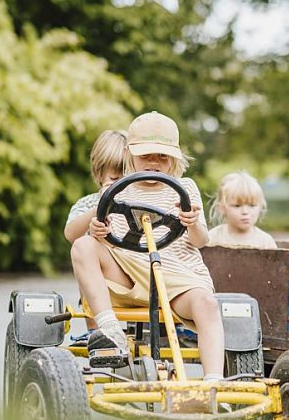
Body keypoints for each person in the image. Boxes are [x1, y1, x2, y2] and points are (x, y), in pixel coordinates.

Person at [70, 111, 225, 381]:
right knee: (83, 246)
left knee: (208, 303)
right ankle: (109, 331)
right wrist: (98, 231)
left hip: (176, 275)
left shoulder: (185, 188)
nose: (153, 163)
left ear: (174, 159)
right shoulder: (116, 191)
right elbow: (100, 235)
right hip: (128, 272)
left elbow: (201, 241)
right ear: (130, 155)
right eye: (145, 156)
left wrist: (193, 223)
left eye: (162, 157)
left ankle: (213, 383)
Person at [64, 129, 127, 331]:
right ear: (100, 174)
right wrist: (101, 204)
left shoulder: (143, 203)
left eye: (127, 176)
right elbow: (71, 234)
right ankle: (98, 332)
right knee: (85, 253)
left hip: (135, 273)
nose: (121, 183)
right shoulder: (89, 203)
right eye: (115, 177)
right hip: (102, 278)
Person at [208, 171, 278, 249]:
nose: (245, 212)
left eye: (252, 205)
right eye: (237, 206)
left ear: (260, 206)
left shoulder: (265, 241)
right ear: (221, 208)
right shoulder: (213, 237)